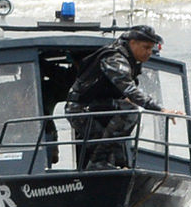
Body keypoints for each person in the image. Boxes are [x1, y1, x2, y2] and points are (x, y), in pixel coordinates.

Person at [64, 25, 168, 170]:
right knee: (129, 112)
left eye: (151, 49)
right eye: (146, 48)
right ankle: (96, 164)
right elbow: (129, 89)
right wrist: (160, 109)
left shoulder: (132, 61)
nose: (149, 53)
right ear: (133, 43)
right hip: (80, 110)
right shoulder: (114, 59)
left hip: (100, 106)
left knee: (114, 147)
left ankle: (120, 168)